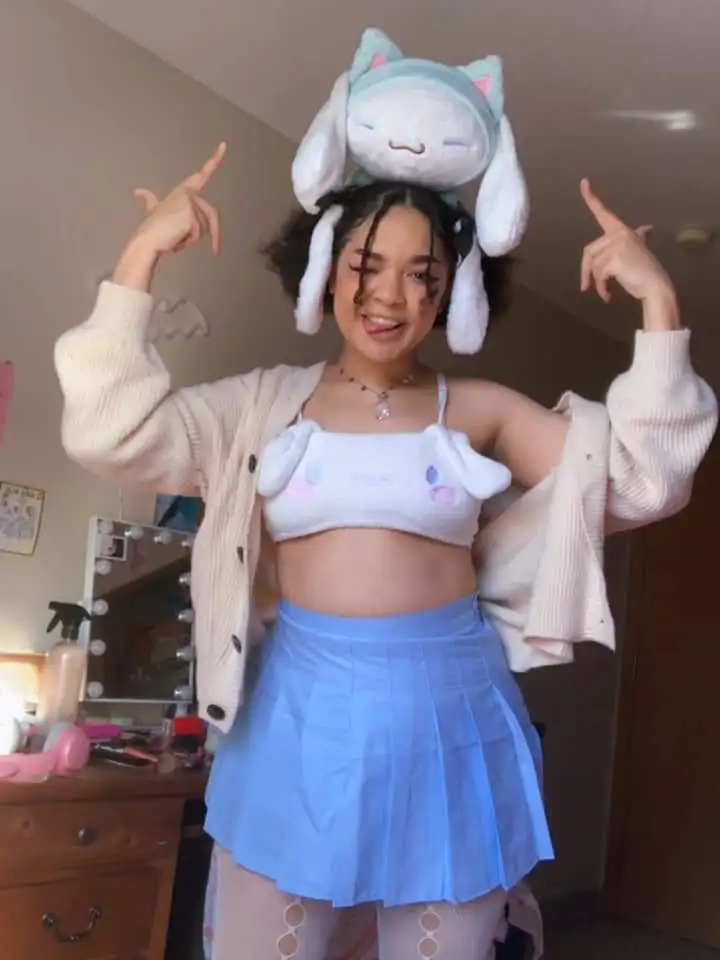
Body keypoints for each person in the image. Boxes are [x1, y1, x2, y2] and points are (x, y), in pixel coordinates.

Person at [55, 143, 716, 960]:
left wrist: (659, 301)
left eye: (421, 274)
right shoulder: (258, 407)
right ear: (325, 269)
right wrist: (141, 257)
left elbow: (639, 484)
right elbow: (111, 433)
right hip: (296, 721)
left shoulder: (479, 408)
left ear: (453, 290)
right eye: (366, 266)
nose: (388, 296)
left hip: (452, 721)